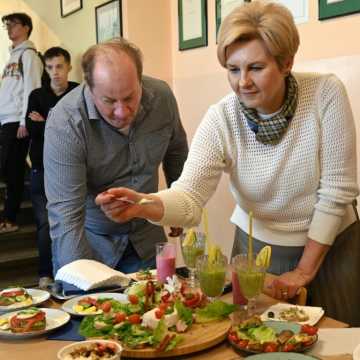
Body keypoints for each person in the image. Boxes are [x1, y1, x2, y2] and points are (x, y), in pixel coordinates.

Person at [96, 2, 358, 304]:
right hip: (255, 253)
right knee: (255, 341)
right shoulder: (222, 117)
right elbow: (189, 196)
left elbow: (336, 192)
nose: (242, 82)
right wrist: (143, 204)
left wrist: (303, 270)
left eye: (256, 68)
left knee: (337, 343)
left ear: (286, 63)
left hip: (330, 248)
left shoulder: (325, 94)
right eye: (233, 69)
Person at [44, 38, 188, 277]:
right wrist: (81, 285)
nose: (122, 112)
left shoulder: (162, 98)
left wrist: (178, 205)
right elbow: (66, 216)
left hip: (146, 237)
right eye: (109, 101)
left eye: (130, 98)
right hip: (92, 245)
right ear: (89, 88)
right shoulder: (65, 122)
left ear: (140, 81)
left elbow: (177, 152)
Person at [26, 47, 79, 288]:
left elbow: (84, 131)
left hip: (75, 170)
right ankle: (46, 274)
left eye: (59, 66)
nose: (54, 73)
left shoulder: (79, 92)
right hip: (41, 169)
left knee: (77, 221)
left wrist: (46, 122)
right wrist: (55, 125)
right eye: (49, 68)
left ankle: (73, 272)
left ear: (68, 67)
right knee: (45, 223)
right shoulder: (37, 96)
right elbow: (33, 130)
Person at [0, 12, 43, 233]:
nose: (9, 28)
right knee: (9, 168)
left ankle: (10, 218)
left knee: (13, 169)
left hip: (17, 122)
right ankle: (7, 217)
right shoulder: (11, 58)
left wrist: (24, 122)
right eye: (6, 25)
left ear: (26, 27)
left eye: (13, 24)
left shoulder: (29, 56)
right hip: (5, 120)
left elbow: (32, 90)